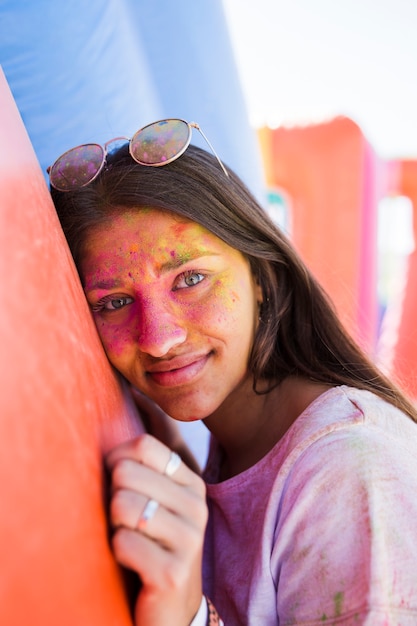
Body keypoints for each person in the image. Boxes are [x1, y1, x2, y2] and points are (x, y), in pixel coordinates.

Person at [49, 119, 417, 625]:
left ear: (263, 278)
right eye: (113, 301)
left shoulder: (348, 468)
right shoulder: (225, 447)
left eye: (191, 279)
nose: (159, 337)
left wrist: (191, 616)